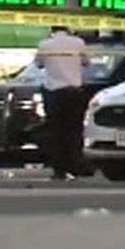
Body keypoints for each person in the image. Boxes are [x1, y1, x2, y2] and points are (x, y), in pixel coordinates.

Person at [36, 25, 89, 180]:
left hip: (53, 92)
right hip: (73, 91)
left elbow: (39, 64)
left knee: (56, 131)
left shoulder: (45, 45)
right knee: (74, 130)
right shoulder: (78, 43)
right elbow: (86, 62)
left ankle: (59, 168)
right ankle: (75, 163)